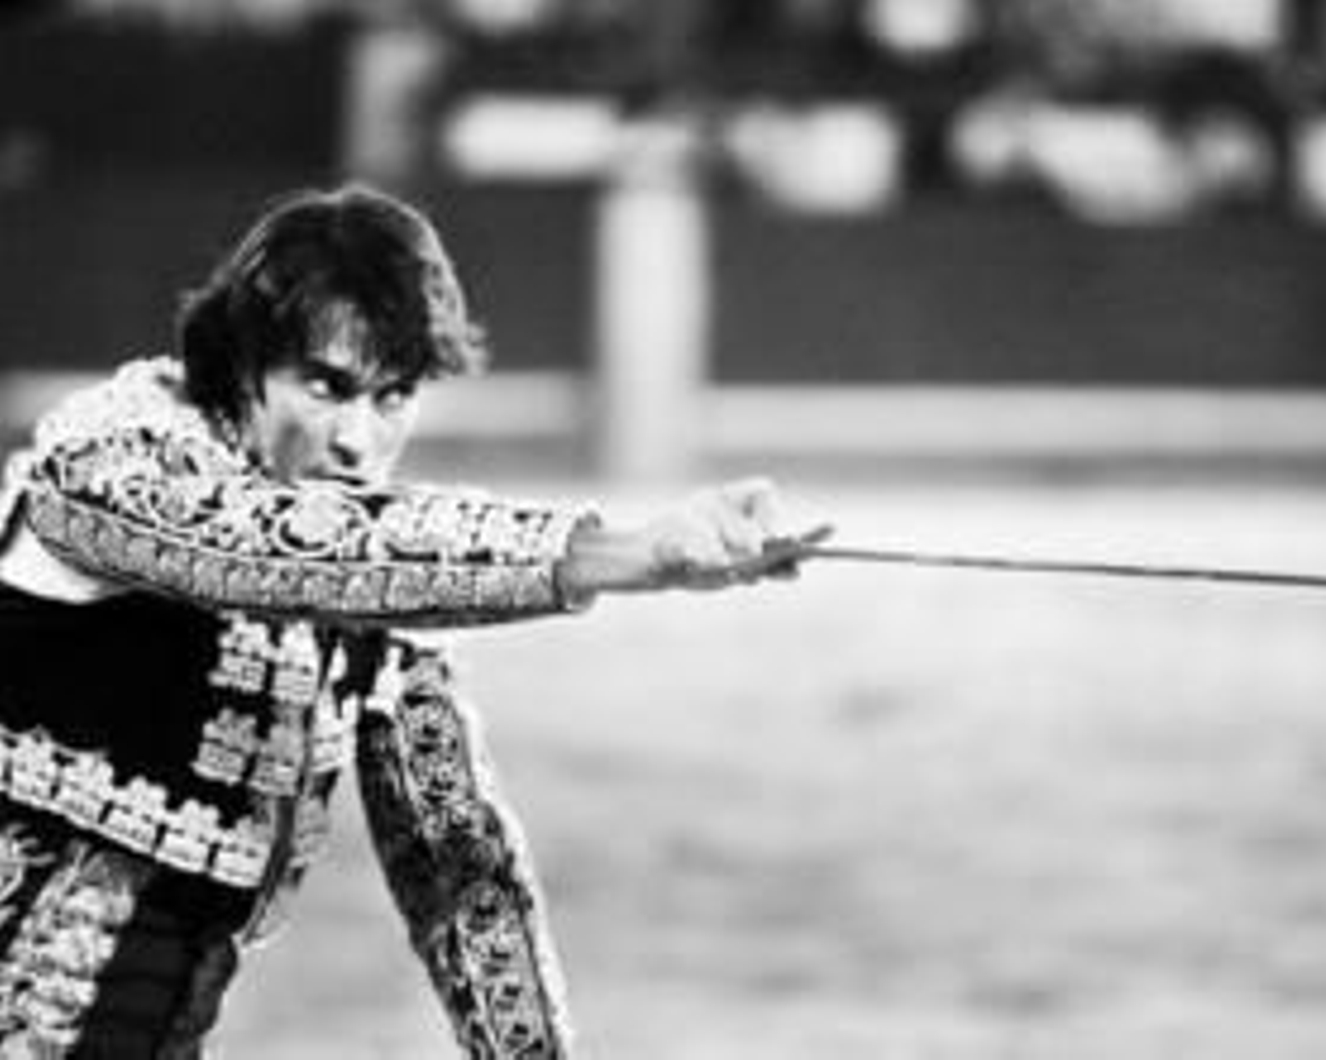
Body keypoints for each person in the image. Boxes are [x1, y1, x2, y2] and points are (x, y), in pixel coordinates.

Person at [0, 183, 801, 1057]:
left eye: (392, 396)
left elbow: (458, 868)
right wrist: (632, 553)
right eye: (326, 386)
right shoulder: (111, 460)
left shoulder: (385, 578)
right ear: (241, 362)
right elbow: (282, 554)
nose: (358, 439)